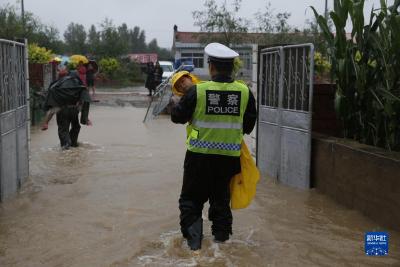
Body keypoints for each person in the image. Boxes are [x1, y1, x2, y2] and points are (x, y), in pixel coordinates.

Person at [170, 43, 257, 250]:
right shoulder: (245, 92)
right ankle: (222, 246)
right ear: (231, 68)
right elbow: (248, 125)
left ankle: (194, 248)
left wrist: (176, 102)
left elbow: (177, 118)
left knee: (191, 201)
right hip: (228, 159)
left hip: (198, 157)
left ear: (211, 67)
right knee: (220, 202)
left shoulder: (197, 91)